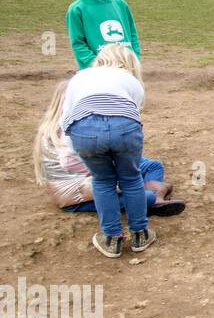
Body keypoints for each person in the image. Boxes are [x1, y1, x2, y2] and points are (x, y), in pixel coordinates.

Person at [35, 80, 185, 217]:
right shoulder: (63, 131)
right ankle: (151, 196)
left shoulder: (78, 121)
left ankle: (152, 195)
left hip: (93, 178)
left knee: (153, 166)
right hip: (79, 195)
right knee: (146, 196)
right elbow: (84, 166)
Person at [62, 44, 155, 258]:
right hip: (125, 129)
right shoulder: (133, 82)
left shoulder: (80, 77)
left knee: (102, 181)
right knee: (131, 179)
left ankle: (112, 238)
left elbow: (66, 114)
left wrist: (72, 149)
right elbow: (134, 114)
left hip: (85, 130)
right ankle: (140, 234)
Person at [66, 0, 141, 69]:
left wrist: (135, 58)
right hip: (98, 72)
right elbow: (78, 44)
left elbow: (133, 34)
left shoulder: (120, 4)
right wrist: (95, 65)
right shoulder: (77, 10)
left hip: (127, 67)